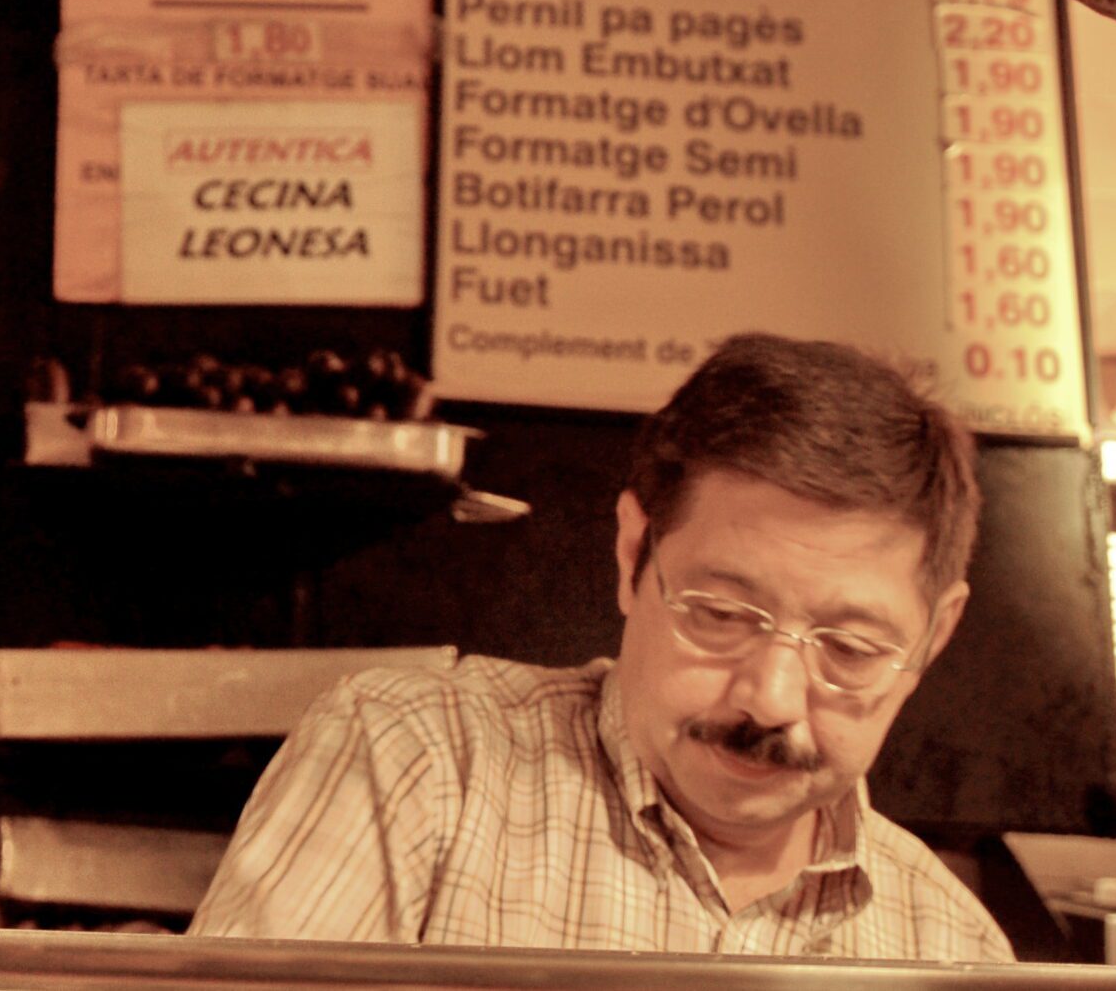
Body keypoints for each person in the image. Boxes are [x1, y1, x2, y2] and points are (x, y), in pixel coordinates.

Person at [188, 334, 1011, 961]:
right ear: (632, 555)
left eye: (851, 648)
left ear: (933, 636)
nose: (770, 699)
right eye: (721, 613)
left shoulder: (953, 947)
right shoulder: (417, 763)